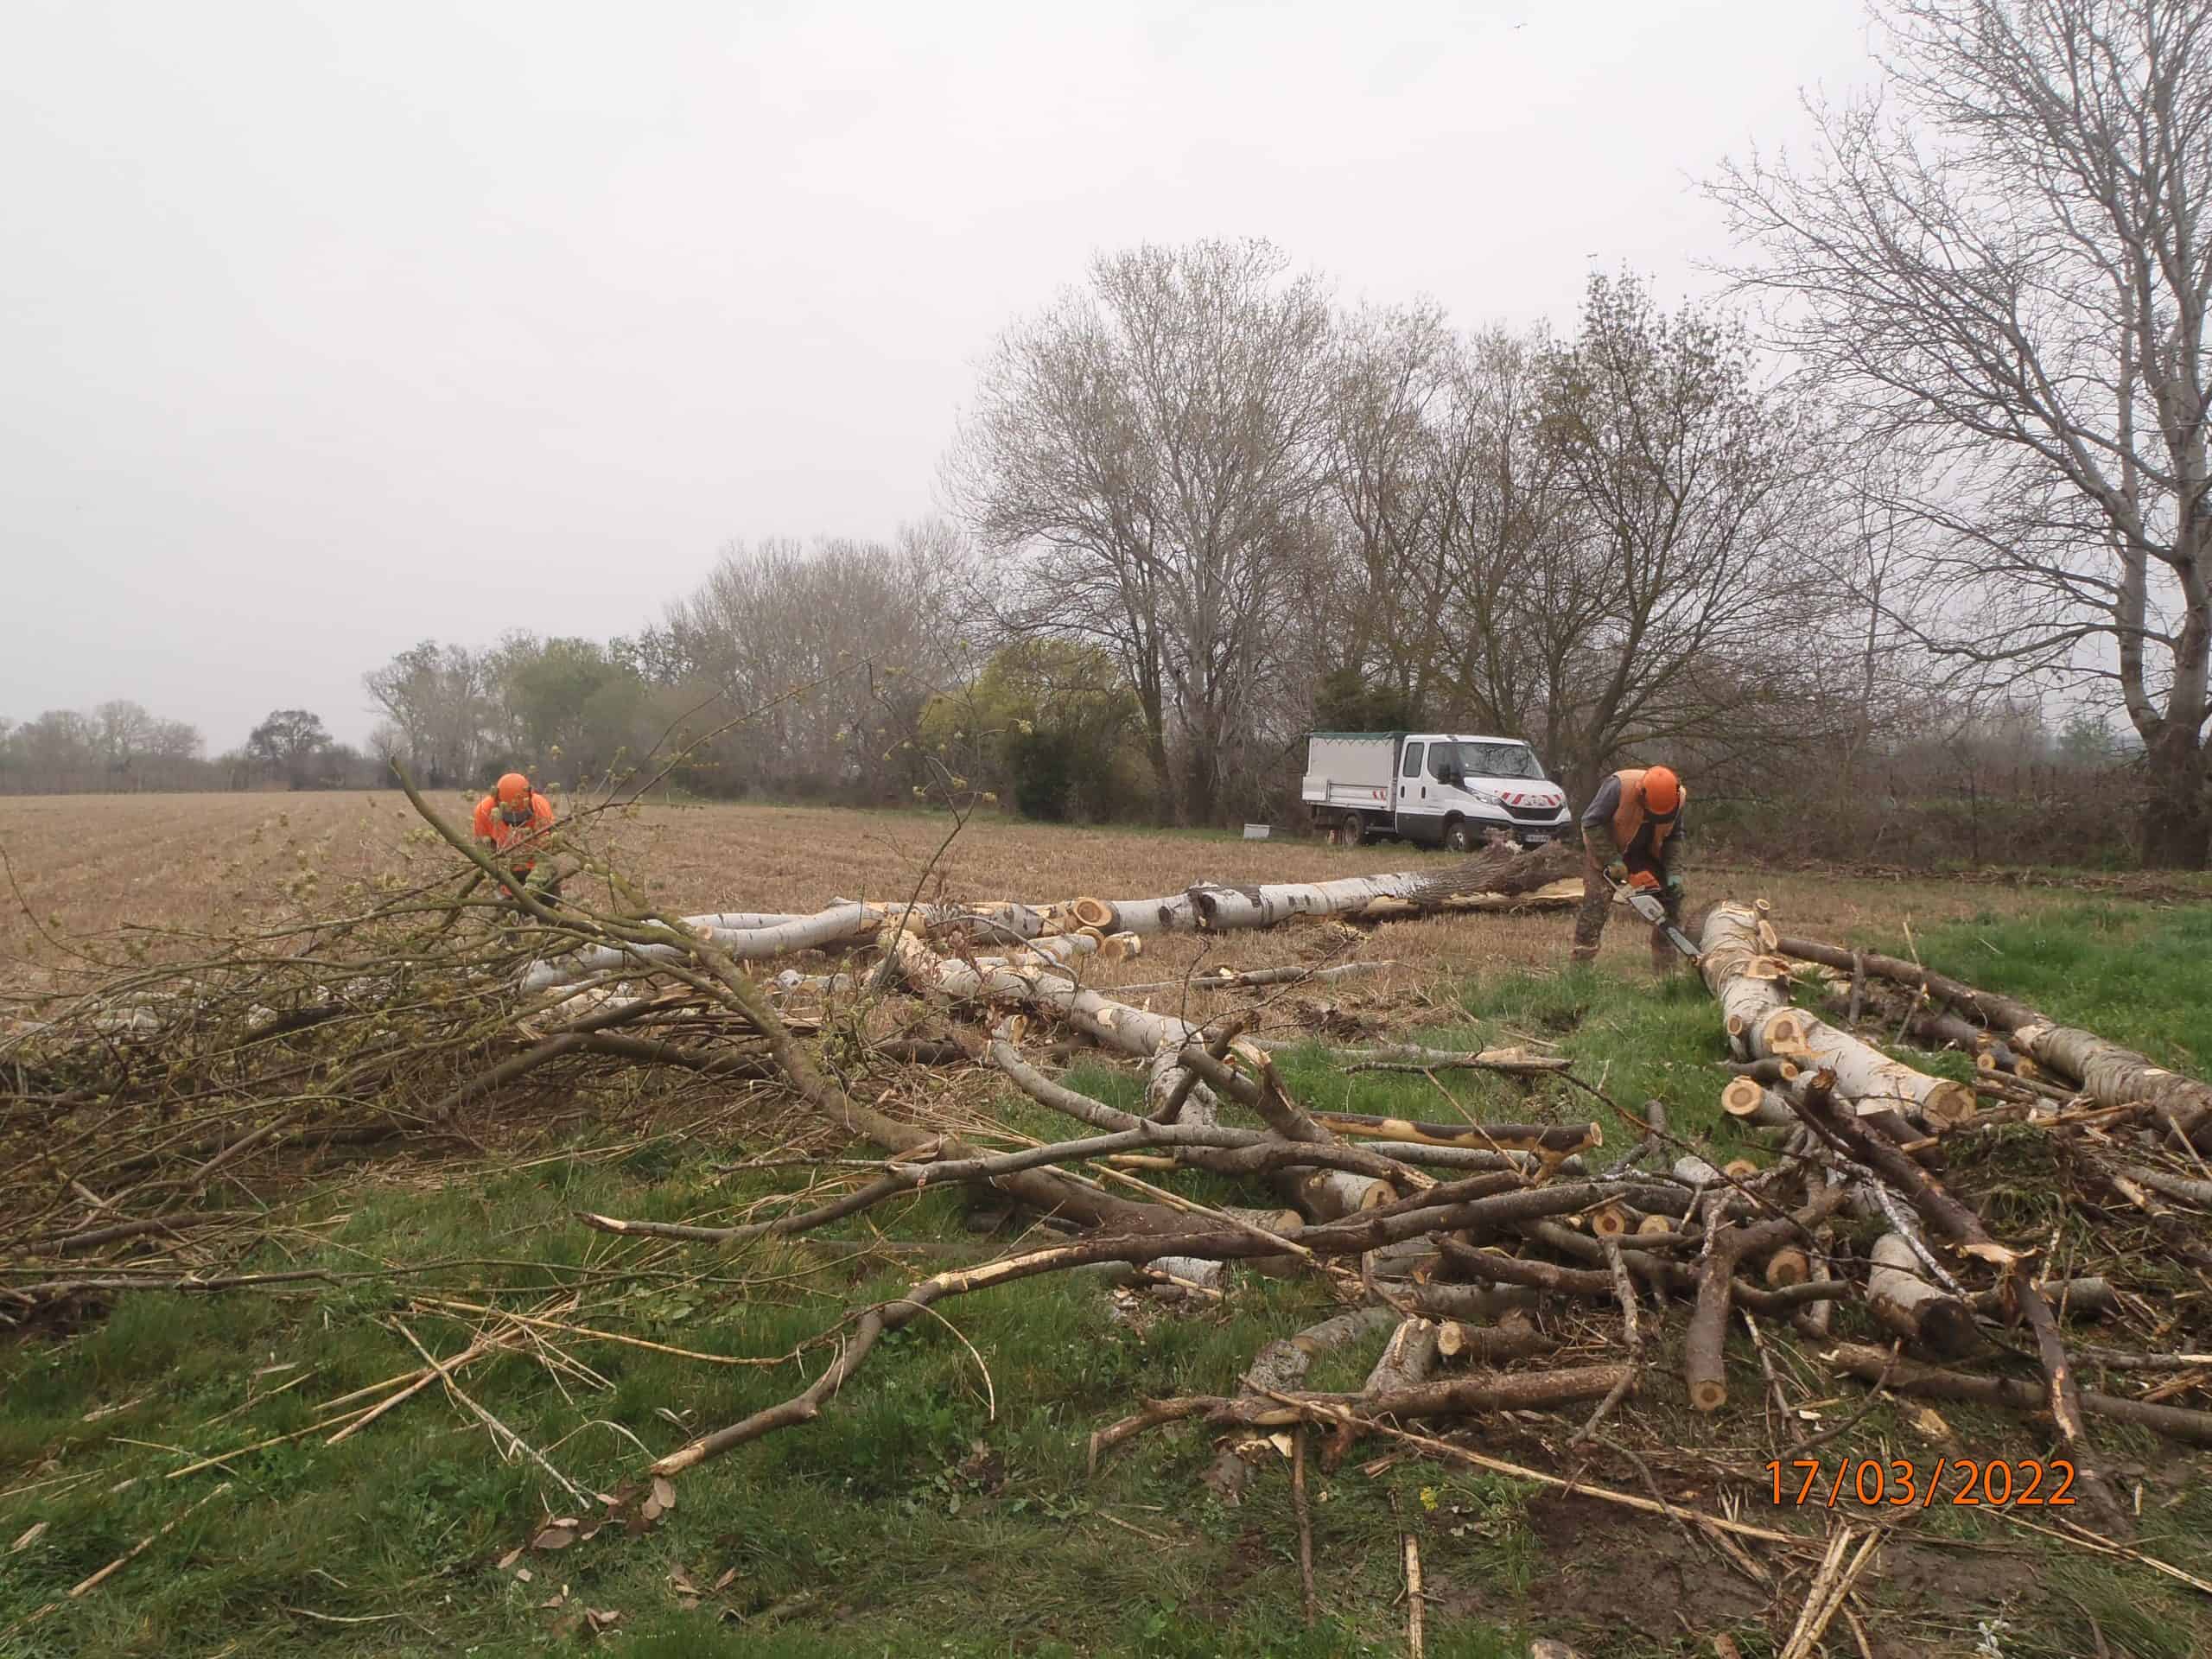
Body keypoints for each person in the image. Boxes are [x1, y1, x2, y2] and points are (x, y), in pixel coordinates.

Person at [1570, 764, 1686, 972]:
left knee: (1671, 902)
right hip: (1609, 849)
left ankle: (1666, 969)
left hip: (1648, 854)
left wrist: (1674, 872)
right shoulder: (1619, 787)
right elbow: (1590, 823)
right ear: (1642, 795)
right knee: (1595, 904)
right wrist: (1611, 859)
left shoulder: (1678, 798)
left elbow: (1674, 838)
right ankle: (1581, 966)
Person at [472, 772, 560, 903]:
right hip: (505, 869)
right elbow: (485, 855)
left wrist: (532, 886)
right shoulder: (483, 811)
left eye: (520, 816)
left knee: (550, 906)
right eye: (510, 817)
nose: (516, 823)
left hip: (535, 867)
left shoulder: (540, 807)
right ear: (497, 801)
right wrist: (499, 879)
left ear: (530, 797)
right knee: (504, 913)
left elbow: (546, 856)